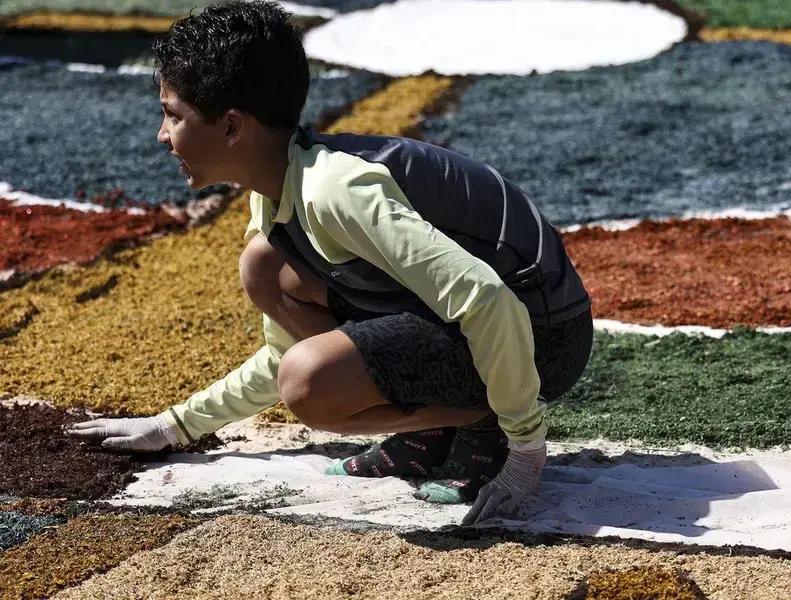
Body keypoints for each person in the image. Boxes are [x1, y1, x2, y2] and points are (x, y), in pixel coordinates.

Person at [66, 0, 592, 525]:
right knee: (264, 268)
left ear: (231, 127)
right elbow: (286, 352)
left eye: (172, 115)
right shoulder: (279, 185)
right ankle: (430, 426)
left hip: (545, 336)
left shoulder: (335, 190)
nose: (163, 134)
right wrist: (175, 426)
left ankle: (487, 425)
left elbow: (486, 297)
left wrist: (525, 448)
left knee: (310, 386)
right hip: (489, 323)